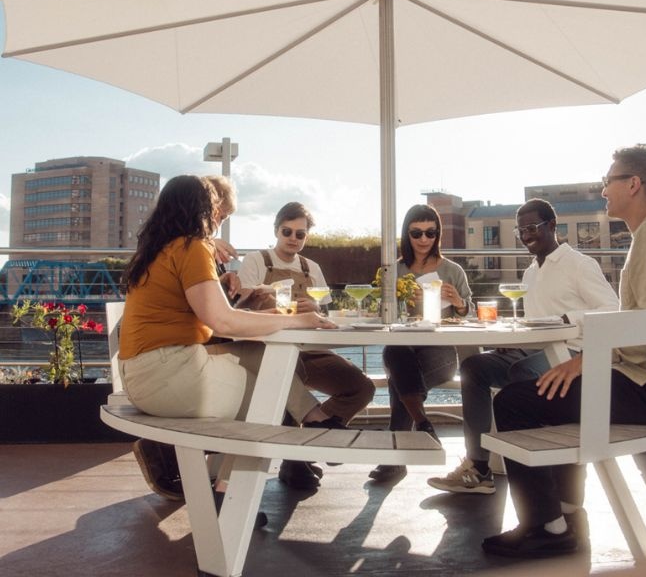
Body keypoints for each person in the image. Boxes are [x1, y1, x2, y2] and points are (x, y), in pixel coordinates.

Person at [482, 145, 646, 559]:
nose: (603, 190)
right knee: (552, 391)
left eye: (608, 181)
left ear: (633, 183)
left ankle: (546, 527)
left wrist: (584, 362)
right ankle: (568, 516)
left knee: (515, 401)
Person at [120, 176, 338, 512]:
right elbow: (222, 322)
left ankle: (315, 417)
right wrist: (298, 320)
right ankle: (227, 494)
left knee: (258, 353)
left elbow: (205, 313)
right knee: (267, 397)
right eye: (216, 212)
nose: (218, 220)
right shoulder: (192, 247)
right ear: (201, 210)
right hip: (167, 377)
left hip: (141, 373)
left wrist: (246, 302)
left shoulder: (157, 249)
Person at [428, 198, 618, 495]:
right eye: (520, 230)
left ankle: (540, 473)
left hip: (570, 353)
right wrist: (512, 342)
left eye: (532, 227)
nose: (526, 235)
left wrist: (569, 319)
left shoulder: (579, 264)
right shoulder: (531, 272)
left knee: (522, 373)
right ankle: (478, 467)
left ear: (552, 226)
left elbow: (612, 309)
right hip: (534, 350)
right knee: (474, 367)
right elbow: (534, 324)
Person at [237, 201, 375, 489]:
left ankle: (312, 439)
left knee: (361, 387)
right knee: (288, 376)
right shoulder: (255, 261)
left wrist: (315, 307)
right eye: (287, 231)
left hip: (311, 349)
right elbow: (242, 309)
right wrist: (270, 301)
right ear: (276, 230)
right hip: (270, 350)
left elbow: (324, 313)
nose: (293, 238)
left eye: (300, 234)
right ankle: (296, 460)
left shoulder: (312, 268)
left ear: (306, 237)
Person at [368, 204, 473, 483]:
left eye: (430, 233)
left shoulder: (452, 270)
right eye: (416, 233)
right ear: (407, 234)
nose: (424, 239)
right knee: (398, 354)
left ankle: (398, 455)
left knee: (399, 379)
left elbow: (471, 314)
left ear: (438, 234)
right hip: (402, 347)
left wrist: (458, 302)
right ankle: (422, 425)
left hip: (440, 351)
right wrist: (400, 302)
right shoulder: (394, 270)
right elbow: (380, 313)